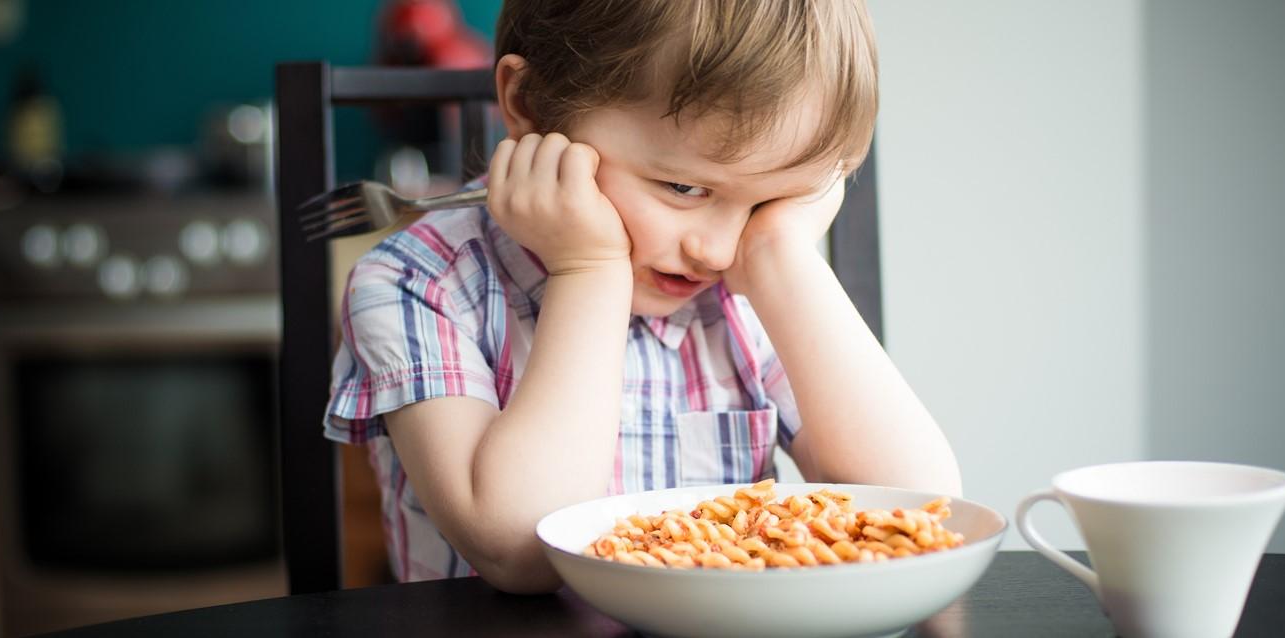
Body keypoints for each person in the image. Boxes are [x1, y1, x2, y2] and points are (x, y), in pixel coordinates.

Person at [324, 0, 961, 593]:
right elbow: (518, 550)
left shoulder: (752, 279)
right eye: (684, 188)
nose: (718, 251)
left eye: (770, 200)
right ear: (529, 104)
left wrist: (782, 256)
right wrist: (589, 270)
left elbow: (921, 510)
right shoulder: (417, 283)